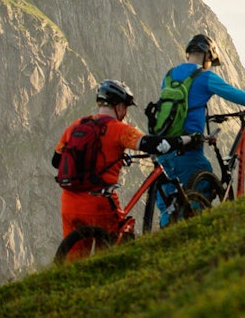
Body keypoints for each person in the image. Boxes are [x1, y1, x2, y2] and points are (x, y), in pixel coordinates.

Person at [155, 33, 245, 224]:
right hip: (188, 148)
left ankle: (166, 237)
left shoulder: (169, 76)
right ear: (208, 56)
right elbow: (236, 94)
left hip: (165, 145)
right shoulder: (204, 76)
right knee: (205, 182)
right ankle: (193, 234)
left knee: (170, 199)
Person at [53, 79, 194, 238]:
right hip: (99, 203)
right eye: (126, 107)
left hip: (69, 202)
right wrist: (185, 140)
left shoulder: (76, 125)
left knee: (75, 260)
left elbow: (56, 161)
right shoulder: (119, 129)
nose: (125, 112)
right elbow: (153, 145)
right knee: (116, 242)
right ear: (119, 106)